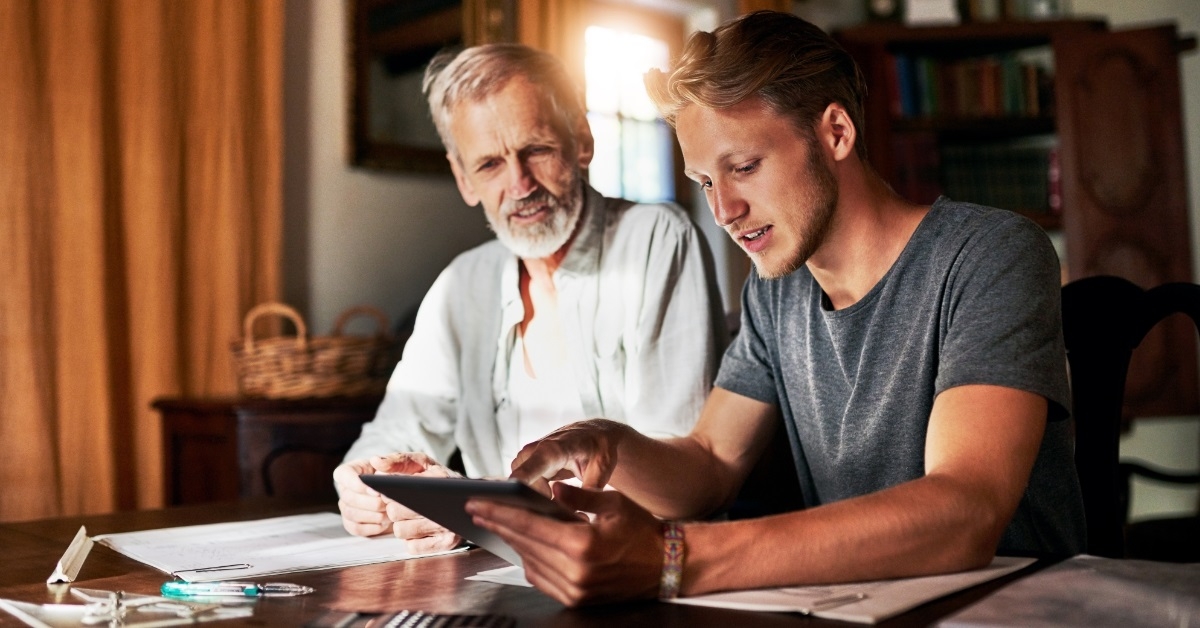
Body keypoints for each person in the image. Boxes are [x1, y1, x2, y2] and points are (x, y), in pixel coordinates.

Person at [465, 10, 1087, 606]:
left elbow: (965, 510)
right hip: (859, 606)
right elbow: (711, 462)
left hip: (1010, 607)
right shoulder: (775, 290)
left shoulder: (991, 254)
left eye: (744, 167)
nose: (723, 210)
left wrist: (672, 557)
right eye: (706, 182)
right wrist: (607, 441)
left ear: (836, 132)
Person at [334, 43, 727, 554]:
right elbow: (394, 432)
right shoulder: (461, 284)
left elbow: (679, 484)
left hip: (642, 568)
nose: (520, 184)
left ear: (581, 140)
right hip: (501, 573)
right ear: (463, 178)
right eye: (489, 164)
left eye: (536, 150)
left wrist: (482, 509)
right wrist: (365, 486)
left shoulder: (657, 239)